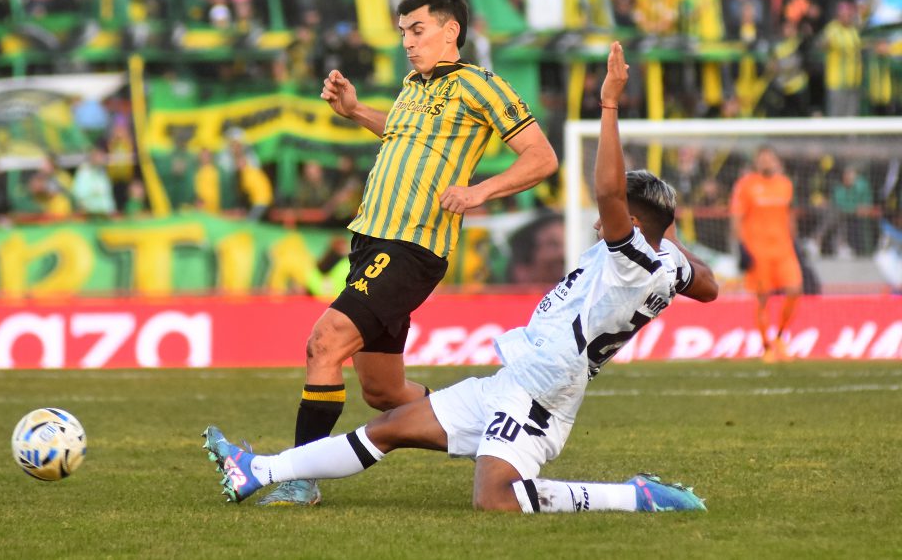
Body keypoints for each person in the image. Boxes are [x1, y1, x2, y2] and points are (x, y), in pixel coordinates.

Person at [203, 42, 719, 513]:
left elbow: (607, 193)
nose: (599, 218)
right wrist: (669, 236)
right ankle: (258, 471)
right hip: (517, 377)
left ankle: (633, 496)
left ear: (632, 224)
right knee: (388, 425)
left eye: (615, 215)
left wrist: (608, 104)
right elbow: (709, 285)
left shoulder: (629, 259)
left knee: (495, 500)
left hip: (542, 392)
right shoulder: (665, 263)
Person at [257, 0, 558, 506]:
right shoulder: (413, 86)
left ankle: (298, 478)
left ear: (450, 30)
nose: (408, 42)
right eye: (403, 33)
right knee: (383, 392)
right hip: (370, 240)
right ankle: (490, 423)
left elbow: (542, 156)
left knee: (324, 343)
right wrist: (356, 111)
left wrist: (479, 191)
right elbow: (403, 134)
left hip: (411, 245)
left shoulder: (480, 85)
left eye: (417, 30)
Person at [730, 147, 802, 362]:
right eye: (762, 159)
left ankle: (780, 336)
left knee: (795, 289)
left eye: (770, 159)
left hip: (784, 249)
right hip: (758, 251)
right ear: (756, 162)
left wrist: (796, 242)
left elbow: (789, 215)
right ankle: (767, 347)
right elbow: (736, 217)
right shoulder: (746, 185)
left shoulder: (785, 184)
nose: (766, 162)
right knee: (763, 298)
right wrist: (741, 247)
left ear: (777, 161)